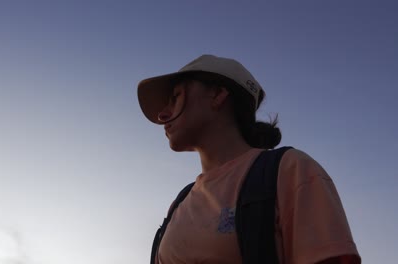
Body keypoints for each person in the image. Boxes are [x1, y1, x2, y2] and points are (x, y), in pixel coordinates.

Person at [137, 55, 361, 264]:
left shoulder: (290, 170)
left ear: (217, 95)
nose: (162, 115)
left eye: (176, 97)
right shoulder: (179, 204)